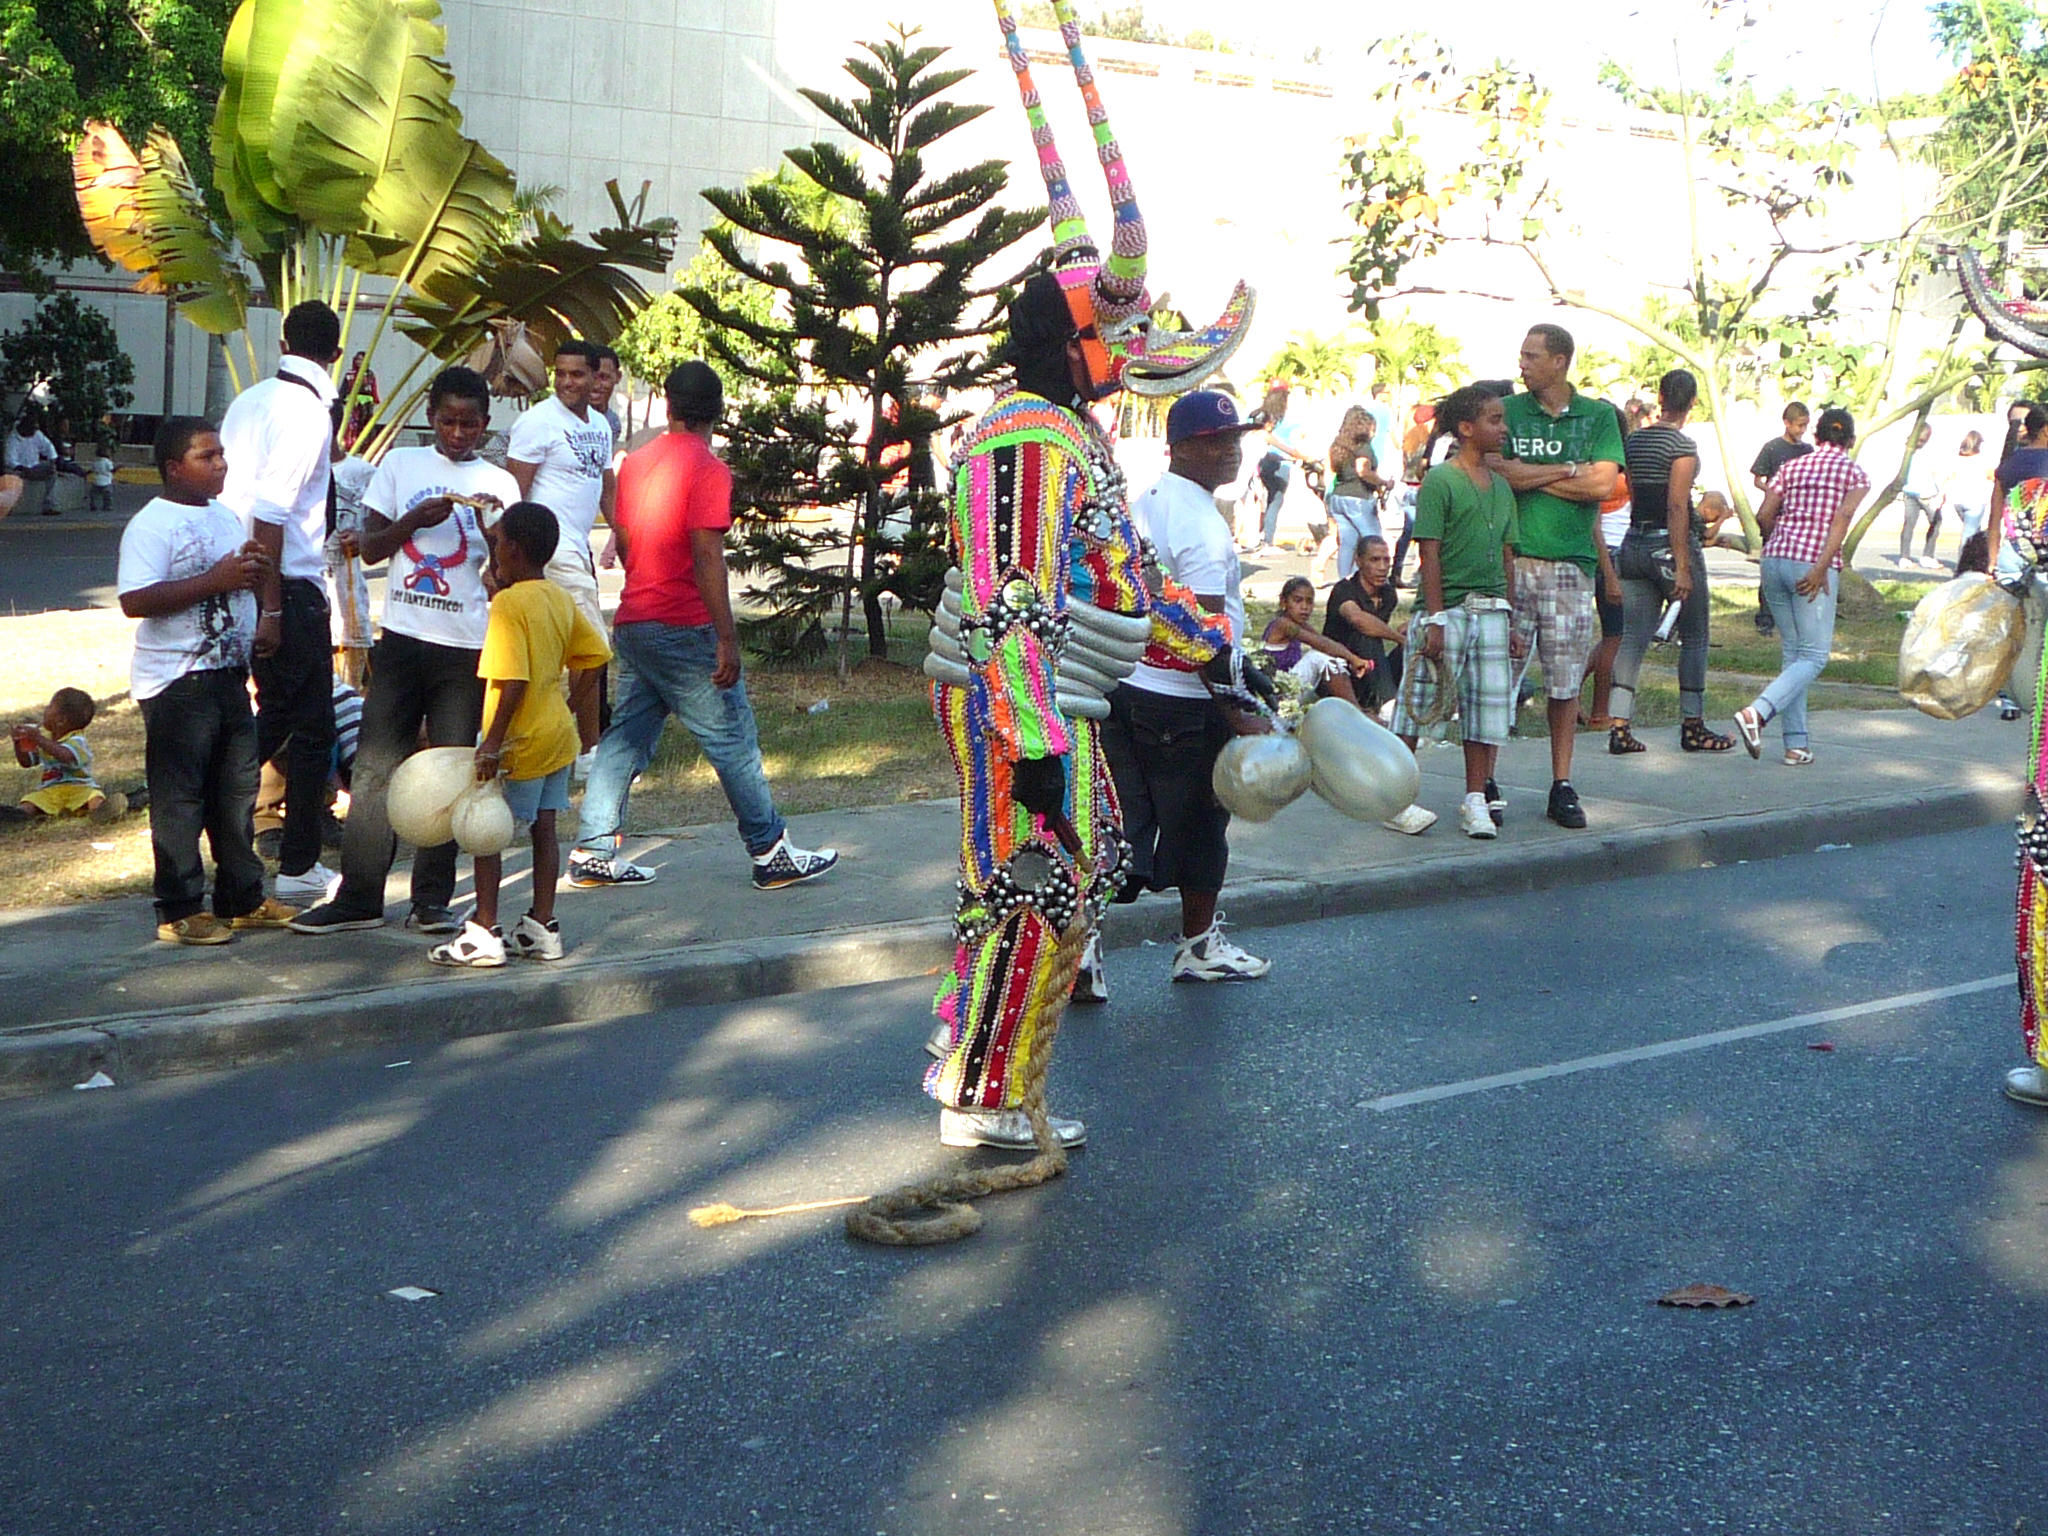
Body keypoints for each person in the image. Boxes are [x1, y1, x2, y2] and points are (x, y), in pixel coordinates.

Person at [566, 361, 839, 892]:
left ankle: (594, 851)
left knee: (624, 739)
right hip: (684, 622)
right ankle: (769, 849)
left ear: (667, 407)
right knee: (733, 740)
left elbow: (622, 540)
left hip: (635, 619)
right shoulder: (709, 469)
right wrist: (727, 636)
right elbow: (707, 556)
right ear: (717, 413)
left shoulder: (637, 463)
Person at [290, 366, 520, 936]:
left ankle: (431, 898)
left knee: (448, 769)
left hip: (467, 647)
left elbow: (508, 577)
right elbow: (367, 548)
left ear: (487, 425)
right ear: (430, 417)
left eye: (470, 424)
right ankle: (361, 895)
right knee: (375, 767)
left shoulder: (502, 483)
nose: (459, 433)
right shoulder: (401, 465)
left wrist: (493, 533)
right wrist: (415, 521)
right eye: (448, 421)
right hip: (403, 638)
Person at [1105, 388, 1274, 983]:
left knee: (1117, 829)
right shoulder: (1202, 525)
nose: (1231, 452)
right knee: (1204, 827)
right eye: (1214, 441)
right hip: (1182, 700)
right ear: (1179, 447)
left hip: (1126, 683)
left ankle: (1082, 958)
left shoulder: (1147, 501)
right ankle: (1198, 947)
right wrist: (1239, 710)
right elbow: (1202, 635)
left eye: (1236, 439)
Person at [117, 418, 298, 944]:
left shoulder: (224, 516)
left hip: (228, 674)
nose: (221, 464)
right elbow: (136, 601)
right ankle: (178, 908)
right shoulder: (153, 525)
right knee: (182, 799)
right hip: (178, 681)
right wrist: (214, 581)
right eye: (206, 456)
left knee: (235, 792)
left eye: (221, 454)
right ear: (174, 468)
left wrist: (266, 613)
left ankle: (241, 897)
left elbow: (250, 571)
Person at [417, 502, 608, 967]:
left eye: (498, 542)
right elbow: (595, 656)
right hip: (557, 736)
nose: (494, 549)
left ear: (515, 551)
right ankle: (543, 926)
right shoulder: (557, 596)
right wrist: (568, 706)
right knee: (545, 829)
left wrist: (490, 743)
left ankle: (483, 930)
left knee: (488, 833)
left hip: (519, 741)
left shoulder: (507, 605)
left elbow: (512, 681)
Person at [219, 299, 343, 905]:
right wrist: (271, 606)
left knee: (288, 714)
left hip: (248, 576)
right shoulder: (307, 413)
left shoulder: (250, 402)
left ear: (283, 345)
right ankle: (293, 863)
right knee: (303, 723)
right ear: (336, 356)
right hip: (285, 586)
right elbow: (271, 512)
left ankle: (283, 855)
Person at [1492, 323, 1622, 829]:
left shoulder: (1597, 416)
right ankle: (1487, 778)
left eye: (1531, 356)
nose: (1521, 363)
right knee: (1499, 674)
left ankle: (1561, 782)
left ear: (1560, 361)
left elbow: (1605, 484)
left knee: (1564, 682)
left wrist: (1536, 476)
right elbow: (1501, 470)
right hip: (1515, 561)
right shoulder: (1508, 411)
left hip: (1571, 566)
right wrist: (1569, 471)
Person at [1387, 384, 1524, 840]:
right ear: (1466, 429)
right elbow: (1431, 553)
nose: (1503, 428)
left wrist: (1512, 619)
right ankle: (1394, 796)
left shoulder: (1503, 487)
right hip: (1448, 610)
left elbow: (1508, 556)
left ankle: (1474, 799)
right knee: (1419, 707)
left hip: (1492, 611)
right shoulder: (1441, 481)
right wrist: (1436, 617)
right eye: (1494, 420)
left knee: (1486, 710)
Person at [1731, 406, 1869, 765]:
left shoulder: (1792, 467)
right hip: (1813, 564)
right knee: (1814, 655)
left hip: (1775, 559)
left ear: (1817, 436)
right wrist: (1822, 564)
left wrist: (1779, 539)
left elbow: (1764, 514)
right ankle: (1757, 713)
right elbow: (1843, 517)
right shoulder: (1854, 474)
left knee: (1794, 653)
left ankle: (1796, 743)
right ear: (1850, 440)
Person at [1609, 370, 1734, 755]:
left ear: (1661, 396)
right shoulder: (1682, 446)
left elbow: (1637, 491)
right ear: (1692, 402)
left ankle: (1618, 724)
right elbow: (1676, 505)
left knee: (1632, 637)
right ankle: (1693, 725)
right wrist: (1682, 564)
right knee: (1694, 635)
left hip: (1633, 542)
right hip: (1670, 545)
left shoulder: (1633, 441)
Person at [506, 338, 614, 764]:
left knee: (566, 655)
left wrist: (621, 535)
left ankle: (562, 740)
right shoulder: (538, 422)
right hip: (550, 552)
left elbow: (606, 486)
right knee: (593, 648)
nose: (567, 382)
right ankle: (585, 749)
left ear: (595, 377)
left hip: (579, 547)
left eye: (577, 374)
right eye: (561, 373)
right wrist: (509, 558)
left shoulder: (601, 426)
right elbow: (514, 492)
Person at [4, 688, 126, 825]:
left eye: (50, 707)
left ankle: (102, 811)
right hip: (51, 791)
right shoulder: (46, 740)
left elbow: (66, 756)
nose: (45, 710)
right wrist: (18, 743)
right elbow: (26, 762)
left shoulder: (77, 740)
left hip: (78, 788)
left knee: (93, 796)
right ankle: (15, 816)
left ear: (61, 720)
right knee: (30, 801)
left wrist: (38, 738)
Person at [1748, 403, 1813, 636]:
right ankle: (1765, 618)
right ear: (1787, 423)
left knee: (1799, 566)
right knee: (1770, 567)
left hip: (1799, 517)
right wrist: (1773, 492)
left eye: (1806, 425)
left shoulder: (1807, 451)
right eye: (1799, 425)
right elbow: (1757, 478)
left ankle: (1796, 615)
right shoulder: (1773, 448)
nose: (1803, 430)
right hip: (1775, 515)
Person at [1323, 534, 1406, 714]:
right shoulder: (1344, 589)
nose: (1382, 567)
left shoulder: (1389, 595)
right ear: (1358, 561)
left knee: (1408, 646)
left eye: (1386, 560)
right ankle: (1388, 705)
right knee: (1367, 635)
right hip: (1341, 671)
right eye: (1375, 560)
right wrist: (1398, 637)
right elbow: (1358, 619)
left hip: (1370, 668)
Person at [1263, 576, 1368, 704]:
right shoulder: (1283, 624)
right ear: (1283, 602)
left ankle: (1348, 706)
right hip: (1277, 694)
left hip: (1291, 687)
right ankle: (1356, 710)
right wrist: (1353, 658)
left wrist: (1350, 659)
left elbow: (1324, 642)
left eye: (1309, 602)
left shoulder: (1298, 624)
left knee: (1332, 658)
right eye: (1298, 601)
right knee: (1317, 658)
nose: (1304, 607)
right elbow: (1321, 644)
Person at [1312, 406, 1385, 584]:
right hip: (1358, 497)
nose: (1374, 433)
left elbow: (1330, 470)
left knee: (1347, 542)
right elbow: (1363, 470)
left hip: (1338, 496)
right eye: (1372, 428)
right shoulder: (1363, 447)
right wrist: (1382, 482)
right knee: (1372, 539)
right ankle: (1375, 581)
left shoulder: (1339, 445)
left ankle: (1345, 581)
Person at [1898, 422, 1946, 571]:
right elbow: (1936, 473)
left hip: (1909, 491)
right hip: (1927, 494)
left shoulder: (1907, 450)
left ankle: (1904, 557)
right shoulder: (1928, 452)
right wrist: (1941, 492)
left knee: (1909, 525)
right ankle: (1927, 556)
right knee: (1936, 522)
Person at [86, 444, 115, 512]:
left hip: (96, 480)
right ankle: (108, 506)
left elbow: (91, 470)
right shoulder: (108, 462)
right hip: (106, 481)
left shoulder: (95, 462)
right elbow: (111, 470)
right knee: (108, 496)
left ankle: (93, 505)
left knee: (94, 494)